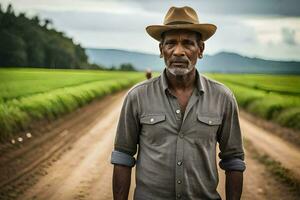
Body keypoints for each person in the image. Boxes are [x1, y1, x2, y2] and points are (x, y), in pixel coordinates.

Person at [111, 6, 246, 200]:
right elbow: (122, 158)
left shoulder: (223, 97)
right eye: (171, 43)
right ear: (161, 50)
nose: (178, 52)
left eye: (188, 44)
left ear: (200, 49)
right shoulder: (137, 96)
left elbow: (233, 160)